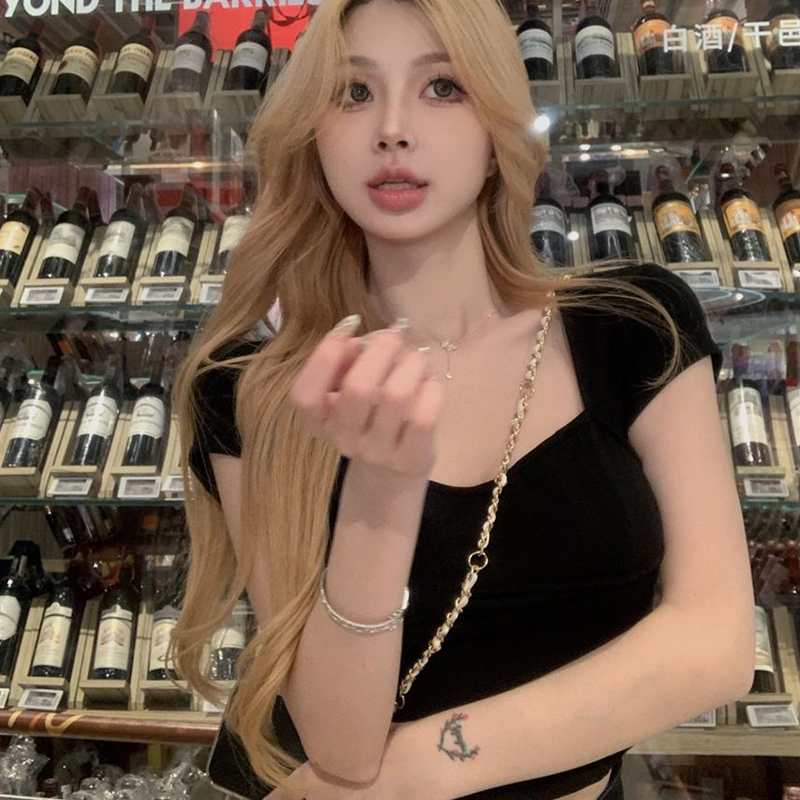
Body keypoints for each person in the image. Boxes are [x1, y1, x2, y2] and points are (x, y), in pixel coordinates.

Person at [170, 0, 755, 798]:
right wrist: (382, 486)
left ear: (495, 133)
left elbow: (715, 644)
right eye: (354, 93)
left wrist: (421, 769)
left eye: (443, 87)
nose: (393, 130)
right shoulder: (252, 388)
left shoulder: (633, 327)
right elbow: (340, 743)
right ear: (314, 136)